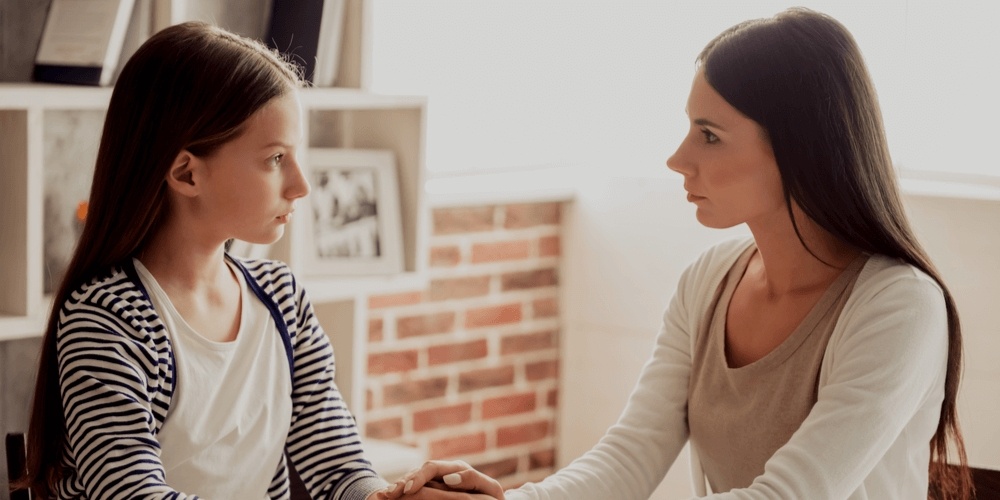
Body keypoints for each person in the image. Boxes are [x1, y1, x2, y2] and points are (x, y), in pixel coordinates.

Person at [381, 8, 973, 500]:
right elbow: (632, 453)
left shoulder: (899, 306)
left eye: (709, 135)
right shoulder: (710, 279)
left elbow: (788, 497)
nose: (677, 158)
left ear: (800, 148)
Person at [14, 22, 394, 499]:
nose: (302, 185)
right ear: (186, 173)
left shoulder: (283, 302)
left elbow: (338, 468)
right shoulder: (108, 320)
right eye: (276, 158)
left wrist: (401, 496)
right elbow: (136, 496)